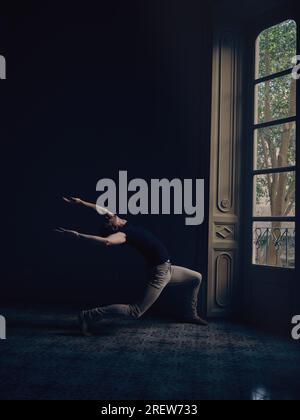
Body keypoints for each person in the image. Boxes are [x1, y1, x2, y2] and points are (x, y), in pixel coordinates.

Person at [55, 197, 208, 336]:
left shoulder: (124, 223)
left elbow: (102, 210)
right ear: (114, 228)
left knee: (196, 278)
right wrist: (78, 235)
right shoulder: (122, 235)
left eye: (110, 215)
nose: (110, 215)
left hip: (168, 268)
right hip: (159, 273)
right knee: (135, 311)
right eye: (109, 219)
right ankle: (87, 316)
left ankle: (189, 314)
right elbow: (107, 242)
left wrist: (82, 202)